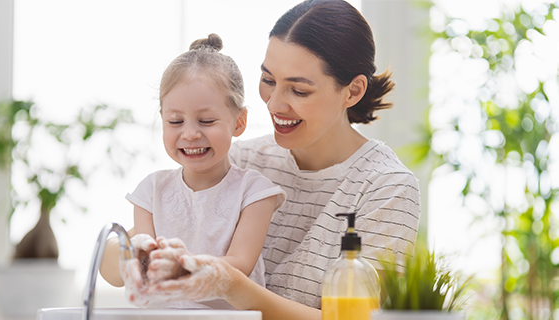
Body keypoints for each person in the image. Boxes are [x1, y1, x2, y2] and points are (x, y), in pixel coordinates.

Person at [117, 0, 421, 319]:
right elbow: (133, 248)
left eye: (299, 91)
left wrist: (230, 286)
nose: (274, 104)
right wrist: (132, 256)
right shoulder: (240, 159)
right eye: (268, 80)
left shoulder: (386, 189)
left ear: (353, 91)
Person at [99, 33, 286, 310]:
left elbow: (240, 265)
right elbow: (144, 260)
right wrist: (137, 261)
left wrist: (183, 267)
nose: (189, 134)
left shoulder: (254, 192)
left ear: (239, 122)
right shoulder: (151, 191)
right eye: (175, 121)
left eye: (206, 120)